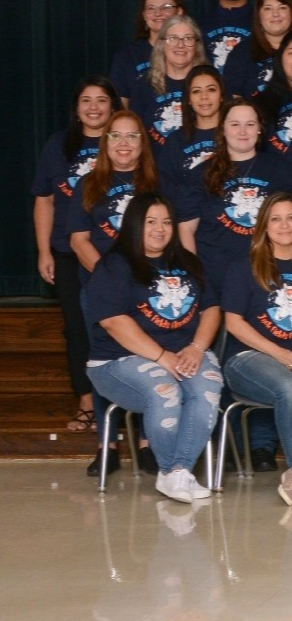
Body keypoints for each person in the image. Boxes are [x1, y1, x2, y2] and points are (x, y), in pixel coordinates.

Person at [84, 192, 223, 502]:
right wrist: (162, 357)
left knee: (207, 388)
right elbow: (114, 322)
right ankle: (173, 471)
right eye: (150, 222)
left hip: (185, 352)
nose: (159, 229)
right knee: (165, 389)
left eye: (166, 222)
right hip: (118, 362)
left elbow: (211, 309)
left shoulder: (188, 263)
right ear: (134, 224)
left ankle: (178, 473)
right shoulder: (115, 265)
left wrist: (198, 347)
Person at [220, 192, 292, 505]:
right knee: (290, 388)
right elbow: (233, 322)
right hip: (249, 358)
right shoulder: (244, 266)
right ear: (263, 226)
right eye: (275, 218)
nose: (284, 225)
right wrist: (278, 352)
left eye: (291, 218)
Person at [33, 78, 118, 439]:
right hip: (68, 253)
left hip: (115, 254)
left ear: (114, 107)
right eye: (86, 100)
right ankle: (87, 403)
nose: (94, 107)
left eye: (101, 100)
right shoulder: (59, 145)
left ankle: (122, 405)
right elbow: (44, 200)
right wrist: (43, 251)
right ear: (76, 107)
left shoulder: (123, 143)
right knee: (77, 328)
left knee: (115, 327)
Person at [180, 100, 292, 269]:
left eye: (250, 124)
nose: (243, 131)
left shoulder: (283, 170)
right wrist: (196, 275)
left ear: (260, 129)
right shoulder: (202, 173)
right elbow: (186, 229)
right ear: (222, 129)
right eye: (235, 124)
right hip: (216, 277)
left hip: (270, 275)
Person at [66, 110, 163, 277]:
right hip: (102, 283)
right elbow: (79, 241)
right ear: (105, 142)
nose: (123, 143)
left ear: (143, 143)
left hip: (150, 281)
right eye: (115, 136)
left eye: (132, 136)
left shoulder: (161, 183)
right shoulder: (87, 184)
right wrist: (108, 279)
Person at [131, 15, 206, 148]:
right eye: (173, 38)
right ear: (161, 44)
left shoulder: (211, 84)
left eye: (188, 38)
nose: (180, 45)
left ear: (197, 45)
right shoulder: (143, 85)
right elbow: (135, 133)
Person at [222, 0, 292, 98]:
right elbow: (234, 102)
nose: (275, 14)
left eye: (282, 7)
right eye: (268, 8)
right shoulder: (241, 53)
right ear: (258, 15)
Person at [155, 66, 224, 190]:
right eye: (196, 91)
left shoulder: (237, 134)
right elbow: (166, 190)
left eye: (211, 90)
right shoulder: (175, 141)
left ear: (222, 96)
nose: (204, 96)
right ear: (189, 100)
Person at [111, 0, 183, 100]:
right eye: (151, 8)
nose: (158, 13)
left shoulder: (189, 51)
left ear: (179, 12)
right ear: (144, 15)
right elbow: (121, 107)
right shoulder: (127, 57)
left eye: (166, 7)